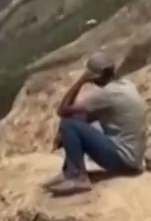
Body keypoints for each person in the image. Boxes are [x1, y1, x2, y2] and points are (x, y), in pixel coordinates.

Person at [48, 52, 146, 196]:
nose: (92, 81)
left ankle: (78, 177)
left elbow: (63, 110)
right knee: (74, 123)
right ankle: (69, 171)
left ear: (101, 75)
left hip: (124, 161)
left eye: (93, 78)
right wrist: (66, 133)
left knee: (69, 123)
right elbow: (87, 116)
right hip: (134, 160)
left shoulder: (107, 94)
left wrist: (81, 81)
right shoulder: (127, 86)